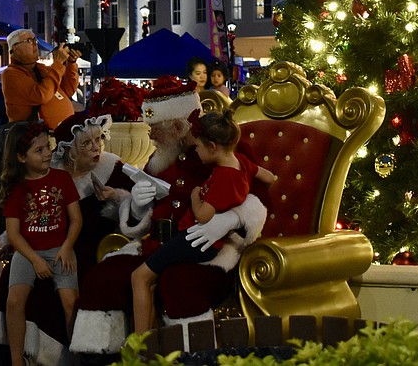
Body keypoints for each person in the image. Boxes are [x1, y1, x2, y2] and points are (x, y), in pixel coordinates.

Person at [69, 76, 269, 357]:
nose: (149, 135)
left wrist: (231, 220)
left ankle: (192, 358)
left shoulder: (224, 150)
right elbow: (152, 206)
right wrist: (136, 206)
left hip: (208, 251)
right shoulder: (162, 156)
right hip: (159, 246)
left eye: (154, 129)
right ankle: (107, 358)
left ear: (176, 127)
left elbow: (261, 198)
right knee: (104, 277)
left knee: (178, 283)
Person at [0, 113, 156, 365]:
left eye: (99, 140)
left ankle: (74, 355)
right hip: (44, 247)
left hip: (93, 250)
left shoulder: (112, 168)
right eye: (86, 144)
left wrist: (118, 197)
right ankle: (14, 354)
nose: (96, 148)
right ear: (69, 150)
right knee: (12, 280)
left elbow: (137, 215)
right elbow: (26, 217)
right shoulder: (49, 174)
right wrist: (11, 242)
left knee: (68, 289)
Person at [131, 109, 275, 332]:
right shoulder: (241, 163)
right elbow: (269, 176)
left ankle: (138, 346)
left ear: (212, 147)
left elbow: (203, 215)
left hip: (194, 240)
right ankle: (149, 339)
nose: (194, 150)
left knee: (139, 277)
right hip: (185, 239)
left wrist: (195, 197)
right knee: (146, 277)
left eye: (198, 146)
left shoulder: (221, 177)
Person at [0, 122, 82, 366]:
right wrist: (34, 260)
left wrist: (66, 248)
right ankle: (16, 360)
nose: (47, 153)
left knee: (70, 302)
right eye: (39, 150)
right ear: (21, 157)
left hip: (60, 249)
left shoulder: (62, 179)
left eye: (48, 147)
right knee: (14, 301)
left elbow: (76, 220)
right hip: (27, 252)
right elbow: (13, 234)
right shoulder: (17, 188)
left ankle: (76, 356)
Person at [1, 29, 82, 130]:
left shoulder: (42, 68)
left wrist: (71, 64)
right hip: (36, 138)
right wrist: (57, 64)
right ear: (14, 49)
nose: (35, 44)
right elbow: (41, 95)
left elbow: (68, 90)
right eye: (29, 41)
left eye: (35, 40)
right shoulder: (11, 74)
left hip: (61, 133)